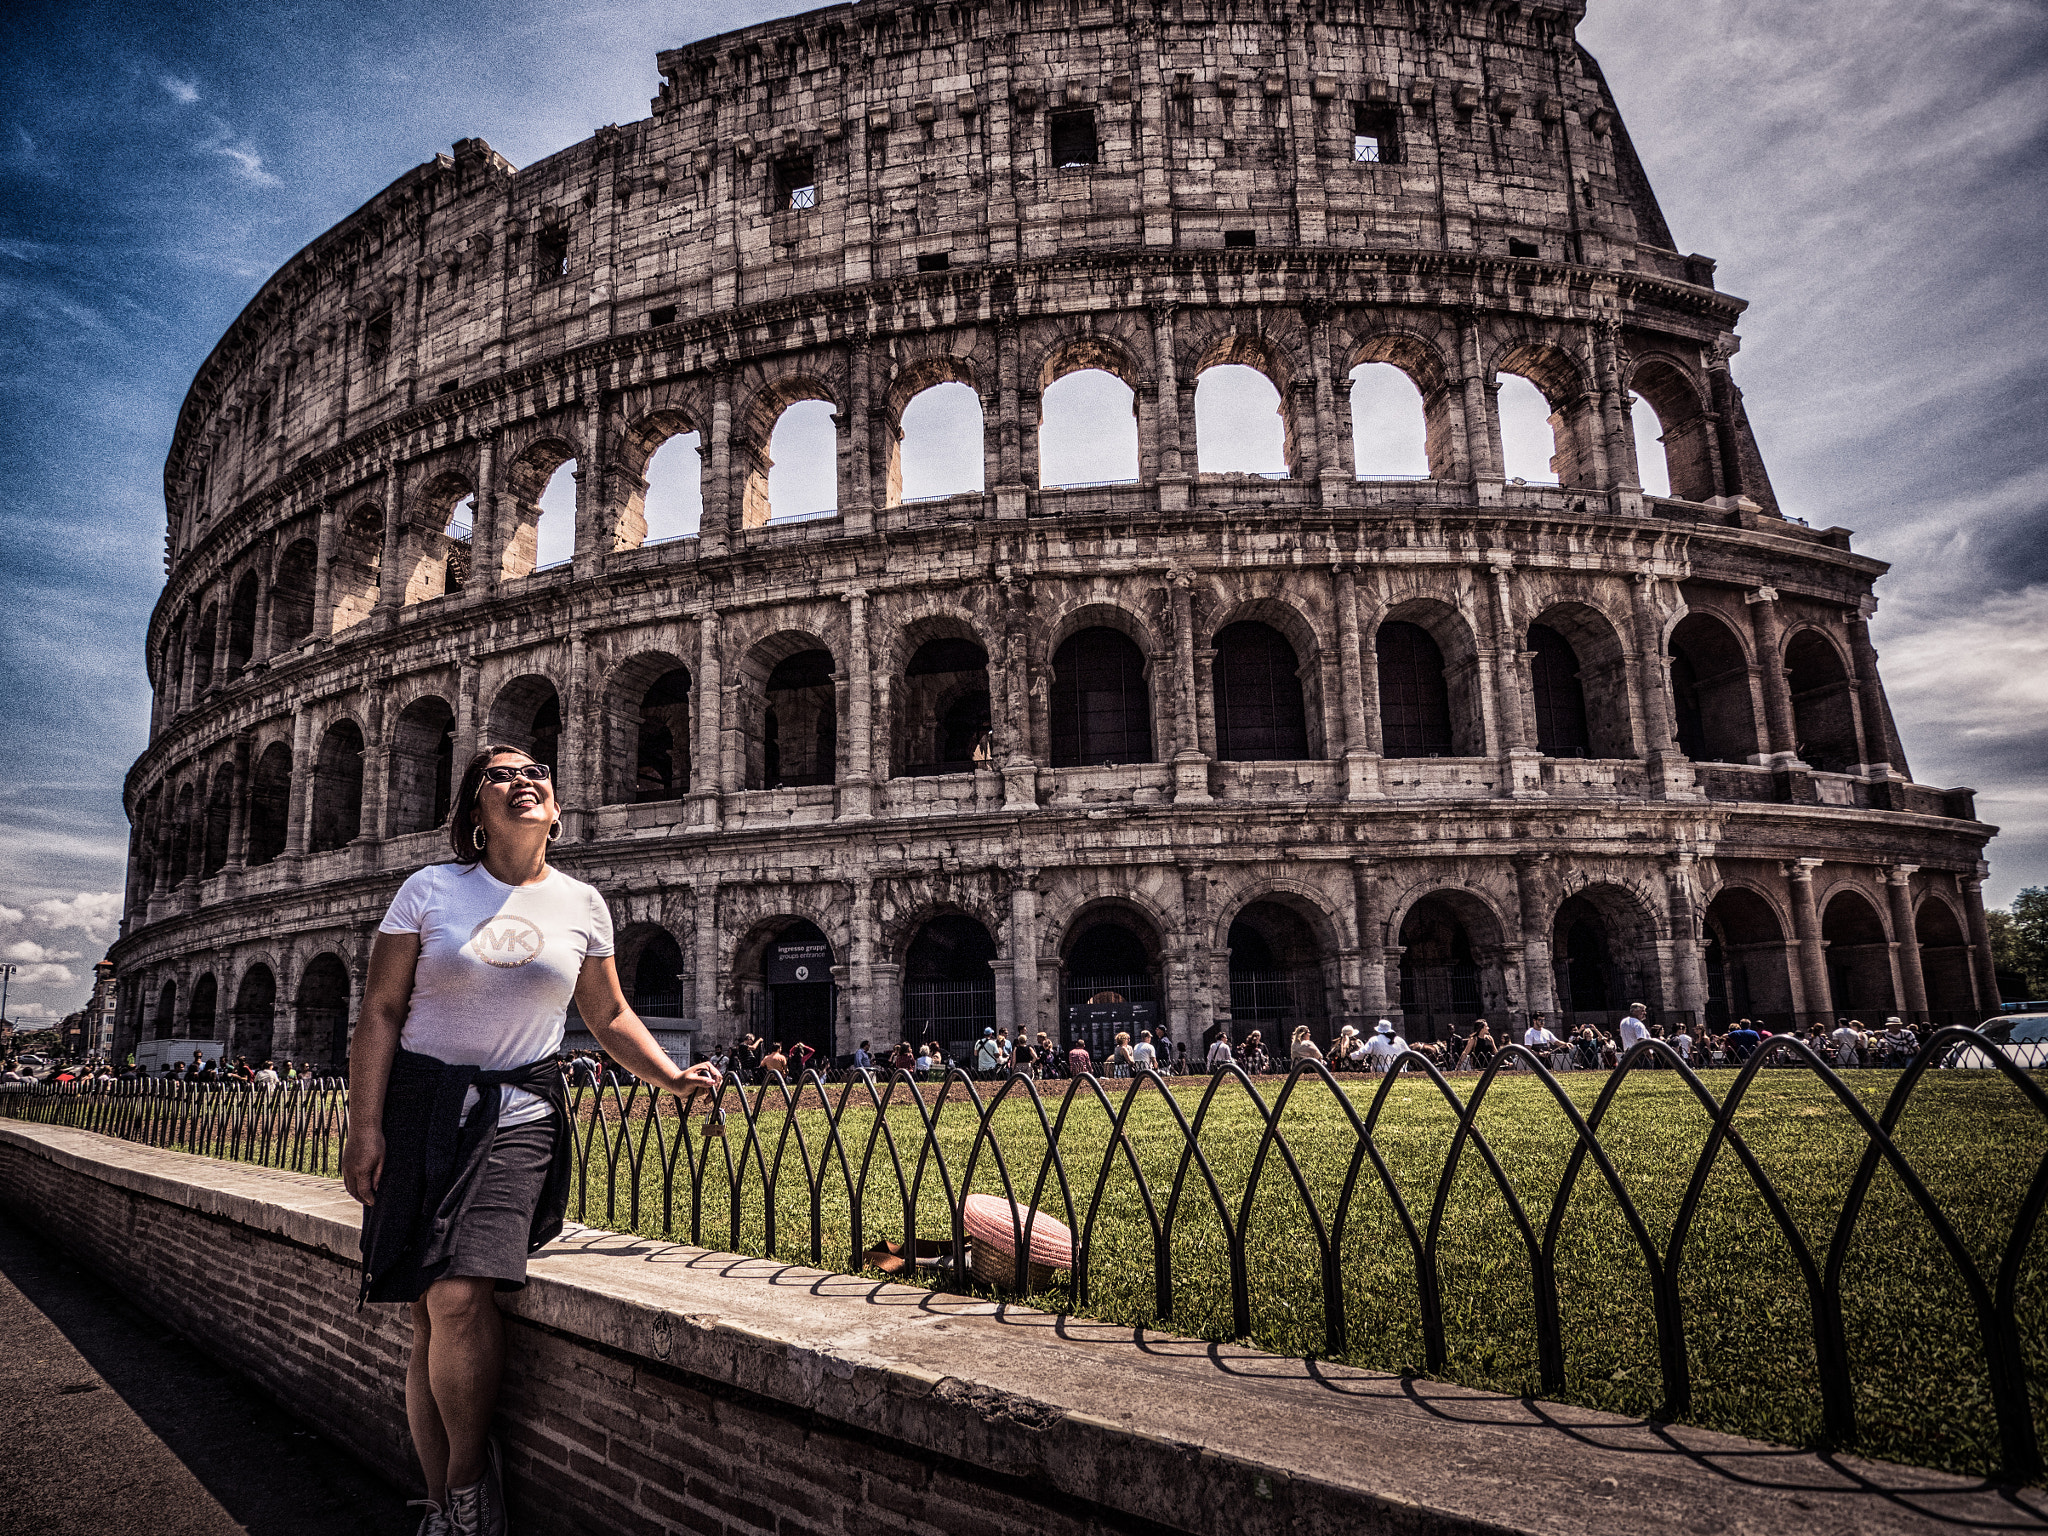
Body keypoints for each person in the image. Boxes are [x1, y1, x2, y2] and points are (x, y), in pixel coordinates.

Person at [341, 744, 720, 1536]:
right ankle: (442, 1499)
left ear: (555, 809)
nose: (524, 782)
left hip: (519, 1108)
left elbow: (608, 1016)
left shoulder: (582, 903)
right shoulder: (429, 890)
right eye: (501, 775)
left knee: (455, 1292)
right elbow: (379, 1011)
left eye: (536, 774)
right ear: (475, 812)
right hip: (420, 1106)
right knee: (425, 1311)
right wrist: (365, 1126)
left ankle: (473, 1492)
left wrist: (670, 1078)